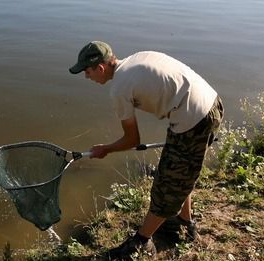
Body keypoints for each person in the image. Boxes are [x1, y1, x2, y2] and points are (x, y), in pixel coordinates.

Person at [69, 41, 224, 259]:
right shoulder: (136, 58)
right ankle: (184, 222)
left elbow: (133, 139)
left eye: (87, 71)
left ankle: (141, 242)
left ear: (100, 68)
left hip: (192, 120)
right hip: (211, 104)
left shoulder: (119, 90)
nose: (87, 77)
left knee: (166, 186)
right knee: (180, 172)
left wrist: (106, 149)